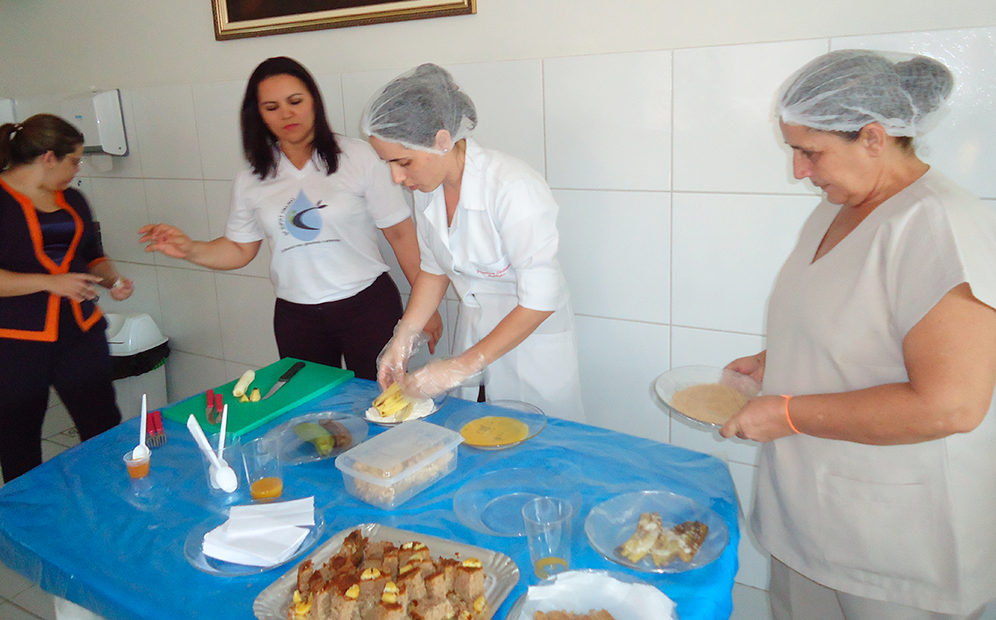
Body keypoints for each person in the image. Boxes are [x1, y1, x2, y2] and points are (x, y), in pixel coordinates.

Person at [718, 50, 996, 620]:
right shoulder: (840, 206)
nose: (799, 171)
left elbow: (952, 406)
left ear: (873, 137)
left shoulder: (936, 225)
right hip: (812, 510)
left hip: (895, 537)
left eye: (810, 151)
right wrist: (778, 359)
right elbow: (856, 318)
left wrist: (786, 413)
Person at [139, 57, 441, 380]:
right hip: (297, 318)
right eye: (271, 107)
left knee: (381, 399)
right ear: (258, 114)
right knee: (308, 407)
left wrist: (425, 307)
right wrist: (190, 249)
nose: (286, 114)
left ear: (314, 102)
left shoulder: (358, 156)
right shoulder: (252, 179)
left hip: (367, 307)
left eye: (295, 102)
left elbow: (400, 233)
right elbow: (239, 249)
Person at [361, 63, 585, 422]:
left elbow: (541, 299)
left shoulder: (513, 188)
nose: (397, 177)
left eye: (404, 162)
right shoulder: (427, 190)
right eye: (389, 164)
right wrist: (403, 336)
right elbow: (434, 270)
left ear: (441, 140)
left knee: (538, 443)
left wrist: (463, 365)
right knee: (475, 432)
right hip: (474, 339)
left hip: (529, 350)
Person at [0, 114, 134, 483]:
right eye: (74, 160)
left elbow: (92, 255)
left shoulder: (73, 199)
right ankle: (28, 513)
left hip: (80, 332)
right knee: (18, 439)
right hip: (16, 342)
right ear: (48, 158)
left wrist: (113, 280)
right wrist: (49, 283)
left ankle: (110, 496)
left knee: (103, 426)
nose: (77, 169)